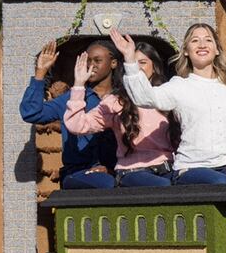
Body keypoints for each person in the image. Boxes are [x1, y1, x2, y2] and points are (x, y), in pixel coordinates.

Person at [115, 25, 226, 184]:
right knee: (220, 183)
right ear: (186, 51)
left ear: (217, 49)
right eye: (195, 41)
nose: (202, 45)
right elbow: (144, 97)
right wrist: (130, 59)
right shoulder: (179, 86)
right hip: (192, 167)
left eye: (208, 40)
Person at [64, 43, 177, 187]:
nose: (137, 67)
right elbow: (77, 125)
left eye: (142, 62)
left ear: (154, 66)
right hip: (132, 172)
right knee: (163, 186)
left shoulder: (167, 96)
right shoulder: (116, 101)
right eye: (132, 63)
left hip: (168, 169)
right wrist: (79, 84)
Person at [20, 39, 118, 189]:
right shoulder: (71, 99)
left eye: (97, 61)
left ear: (113, 63)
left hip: (119, 172)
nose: (91, 65)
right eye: (87, 61)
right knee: (106, 183)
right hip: (77, 174)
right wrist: (40, 73)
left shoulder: (124, 98)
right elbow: (31, 113)